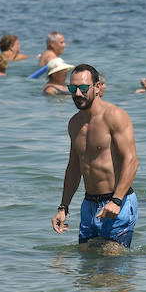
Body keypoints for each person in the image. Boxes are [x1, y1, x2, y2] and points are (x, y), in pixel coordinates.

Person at [51, 64, 139, 249]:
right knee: (86, 267)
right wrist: (63, 207)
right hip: (89, 204)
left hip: (117, 203)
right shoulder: (74, 123)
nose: (78, 94)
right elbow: (74, 167)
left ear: (97, 87)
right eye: (72, 88)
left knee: (112, 267)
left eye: (83, 88)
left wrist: (116, 201)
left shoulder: (114, 116)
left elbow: (131, 161)